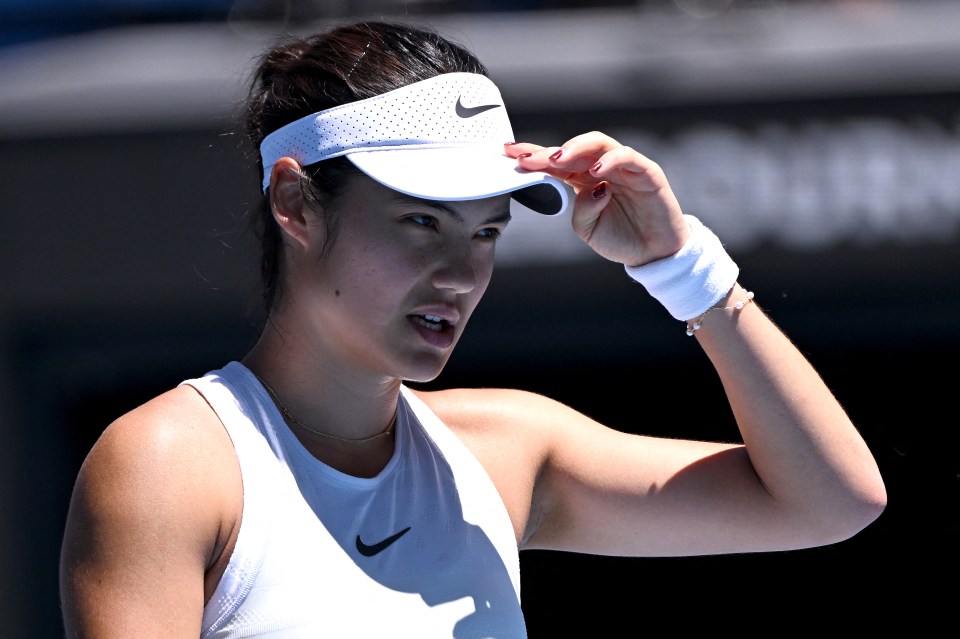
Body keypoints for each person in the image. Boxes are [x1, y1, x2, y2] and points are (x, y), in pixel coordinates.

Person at [59, 20, 887, 638]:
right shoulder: (169, 464)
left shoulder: (507, 447)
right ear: (296, 204)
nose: (460, 272)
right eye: (421, 221)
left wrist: (682, 266)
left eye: (485, 231)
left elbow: (832, 501)